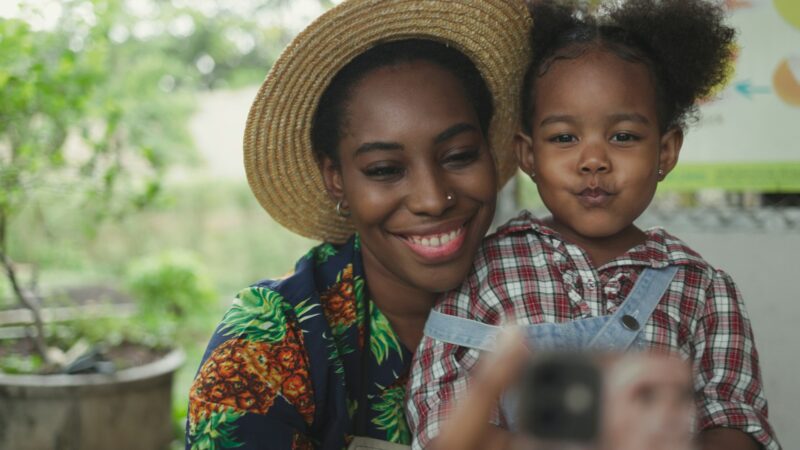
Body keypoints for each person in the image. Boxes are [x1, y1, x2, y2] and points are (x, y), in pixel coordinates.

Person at [408, 1, 781, 449]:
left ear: (665, 152)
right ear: (528, 155)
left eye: (623, 136)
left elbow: (736, 419)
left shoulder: (703, 291)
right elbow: (440, 415)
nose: (593, 161)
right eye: (564, 137)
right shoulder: (482, 273)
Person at [184, 1, 531, 449]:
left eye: (460, 155)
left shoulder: (555, 285)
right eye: (385, 169)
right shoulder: (265, 344)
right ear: (337, 180)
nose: (431, 199)